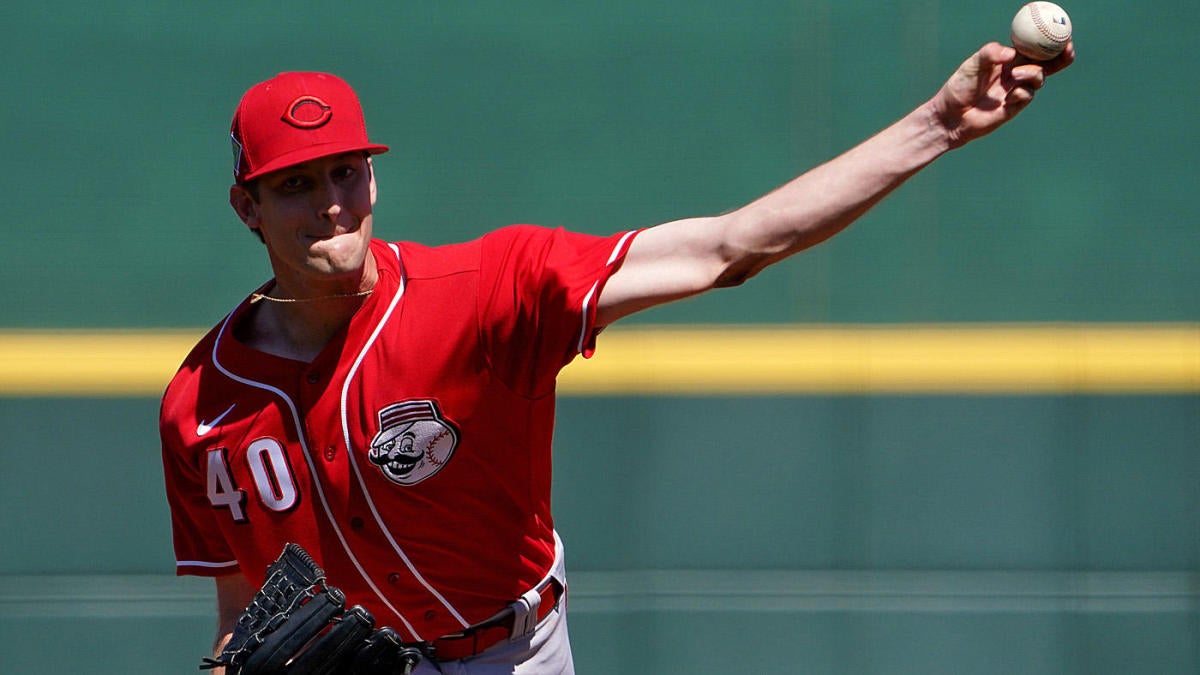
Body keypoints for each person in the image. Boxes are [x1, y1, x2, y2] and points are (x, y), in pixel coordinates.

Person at [160, 41, 1074, 673]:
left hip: (512, 650)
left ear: (373, 176)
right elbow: (246, 614)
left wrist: (940, 125)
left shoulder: (489, 289)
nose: (329, 204)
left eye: (343, 172)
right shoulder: (201, 404)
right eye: (294, 185)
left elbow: (729, 247)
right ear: (248, 208)